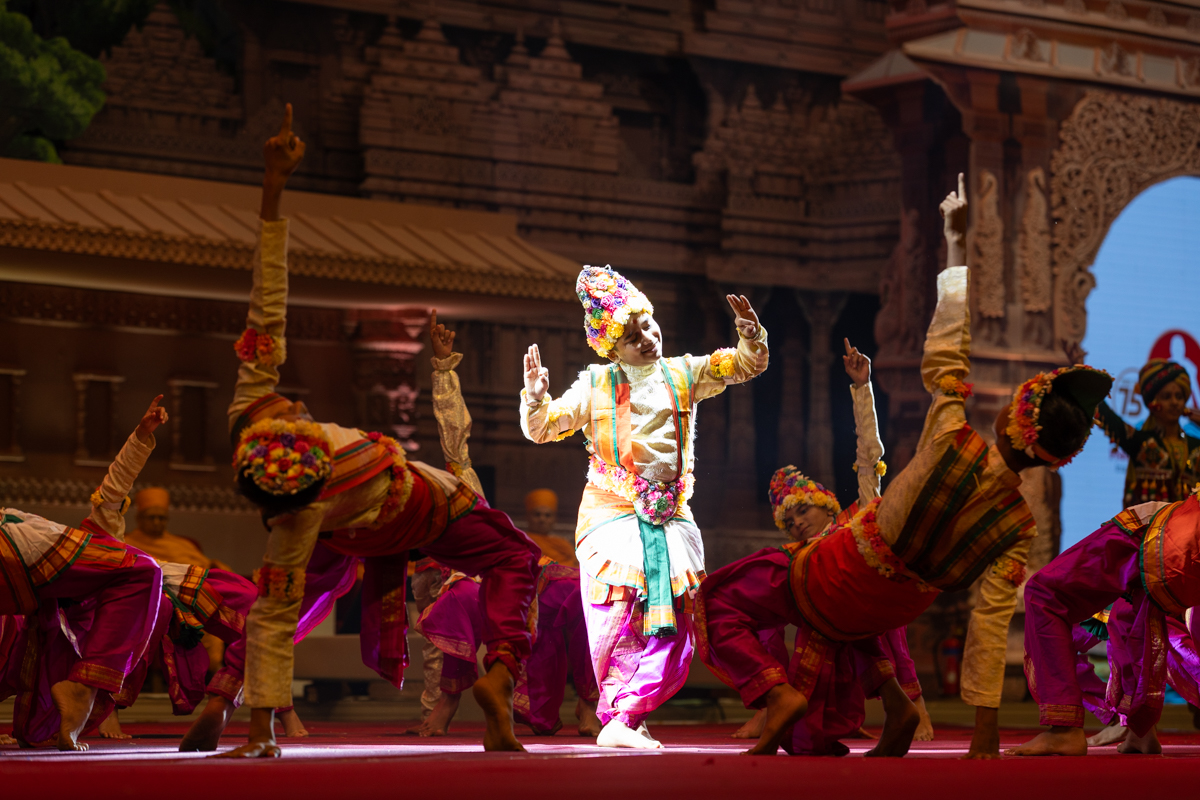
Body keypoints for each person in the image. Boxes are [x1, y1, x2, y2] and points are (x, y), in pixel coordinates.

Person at [695, 175, 1110, 757]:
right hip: (897, 607)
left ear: (1015, 414)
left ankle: (774, 694)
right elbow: (990, 624)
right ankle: (893, 704)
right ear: (1059, 459)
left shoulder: (951, 437)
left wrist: (957, 243)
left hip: (841, 578)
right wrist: (985, 737)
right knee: (833, 673)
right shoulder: (1019, 525)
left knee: (714, 600)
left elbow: (946, 344)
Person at [217, 107, 539, 758]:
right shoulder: (254, 393)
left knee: (294, 594)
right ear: (299, 433)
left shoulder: (292, 512)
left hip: (348, 530)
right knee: (517, 557)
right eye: (302, 418)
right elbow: (268, 291)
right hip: (424, 503)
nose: (301, 411)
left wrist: (258, 735)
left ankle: (223, 696)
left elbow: (275, 616)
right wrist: (274, 185)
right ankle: (501, 674)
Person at [521, 266, 768, 748]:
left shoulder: (685, 372)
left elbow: (744, 365)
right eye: (632, 337)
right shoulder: (594, 383)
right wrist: (535, 398)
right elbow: (545, 427)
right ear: (612, 347)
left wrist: (750, 333)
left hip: (672, 518)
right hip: (611, 517)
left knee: (676, 620)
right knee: (616, 620)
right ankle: (622, 718)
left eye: (648, 327)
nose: (647, 339)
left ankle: (625, 717)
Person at [719, 340, 933, 751]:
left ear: (824, 503)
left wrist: (861, 389)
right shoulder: (802, 555)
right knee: (806, 740)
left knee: (879, 618)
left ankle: (911, 702)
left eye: (802, 510)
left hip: (871, 608)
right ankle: (773, 703)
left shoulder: (858, 516)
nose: (797, 521)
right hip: (831, 629)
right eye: (789, 520)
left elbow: (869, 455)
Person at [412, 314, 601, 738]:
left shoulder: (462, 485)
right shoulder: (416, 519)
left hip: (521, 579)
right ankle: (451, 700)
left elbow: (454, 437)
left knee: (578, 590)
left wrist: (444, 371)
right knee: (458, 596)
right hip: (475, 588)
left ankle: (589, 704)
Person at [0, 396, 168, 750]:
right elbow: (112, 491)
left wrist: (141, 435)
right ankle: (83, 692)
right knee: (144, 573)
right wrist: (139, 437)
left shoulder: (105, 554)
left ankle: (82, 696)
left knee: (34, 732)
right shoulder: (99, 544)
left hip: (48, 620)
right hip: (32, 583)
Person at [1007, 495, 1200, 756]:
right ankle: (1139, 731)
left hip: (1172, 534)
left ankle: (1065, 728)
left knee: (1045, 593)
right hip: (1177, 564)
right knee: (1130, 615)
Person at [124, 488, 233, 679]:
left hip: (187, 597)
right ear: (139, 519)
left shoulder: (181, 544)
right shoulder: (127, 542)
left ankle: (213, 675)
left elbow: (204, 566)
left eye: (162, 518)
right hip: (148, 600)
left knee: (210, 616)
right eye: (152, 517)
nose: (157, 522)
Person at [1095, 358, 1200, 507]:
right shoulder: (1142, 443)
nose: (1174, 402)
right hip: (1150, 529)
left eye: (1179, 396)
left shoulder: (1196, 447)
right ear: (1152, 403)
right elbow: (1108, 418)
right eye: (1166, 397)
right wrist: (1086, 380)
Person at [523, 489, 578, 568]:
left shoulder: (564, 545)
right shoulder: (522, 543)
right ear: (527, 517)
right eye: (537, 514)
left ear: (555, 519)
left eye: (547, 515)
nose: (542, 519)